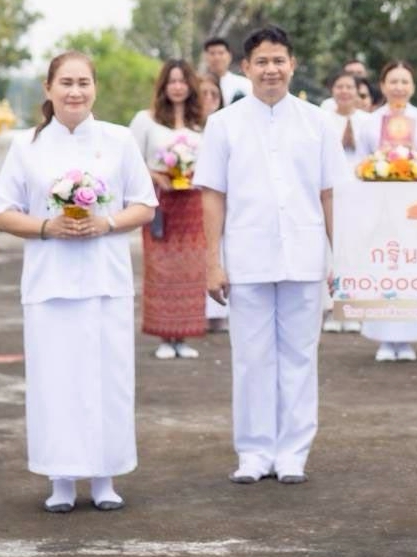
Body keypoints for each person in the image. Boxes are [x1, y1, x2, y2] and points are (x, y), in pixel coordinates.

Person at [0, 51, 158, 512]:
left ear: (95, 88)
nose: (75, 92)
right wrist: (48, 227)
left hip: (106, 279)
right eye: (65, 83)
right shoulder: (26, 146)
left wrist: (107, 222)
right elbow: (4, 213)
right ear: (48, 89)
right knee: (55, 382)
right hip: (50, 283)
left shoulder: (119, 140)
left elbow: (144, 205)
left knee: (109, 381)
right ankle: (60, 479)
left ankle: (105, 477)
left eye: (83, 82)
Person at [195, 25, 346, 484]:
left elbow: (330, 194)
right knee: (251, 357)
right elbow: (212, 195)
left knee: (300, 356)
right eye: (261, 61)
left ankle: (293, 452)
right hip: (247, 256)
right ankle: (254, 452)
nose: (271, 69)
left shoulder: (318, 123)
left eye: (279, 60)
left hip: (305, 254)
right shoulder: (224, 124)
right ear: (246, 67)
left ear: (292, 65)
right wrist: (212, 262)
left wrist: (341, 258)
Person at [354, 60, 417, 362]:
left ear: (412, 86)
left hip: (415, 206)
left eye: (404, 81)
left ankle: (408, 340)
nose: (399, 87)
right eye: (393, 81)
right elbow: (360, 162)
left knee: (412, 269)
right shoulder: (369, 121)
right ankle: (384, 339)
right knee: (383, 267)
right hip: (379, 206)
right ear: (382, 85)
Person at [129, 60, 209, 359]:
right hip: (160, 201)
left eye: (182, 81)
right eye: (172, 81)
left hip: (192, 202)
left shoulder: (202, 122)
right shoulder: (146, 120)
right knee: (161, 267)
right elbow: (130, 160)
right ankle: (164, 336)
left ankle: (184, 336)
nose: (177, 87)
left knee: (191, 268)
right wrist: (155, 175)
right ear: (163, 86)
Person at [320, 70, 371, 334]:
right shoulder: (322, 119)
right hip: (330, 193)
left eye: (349, 87)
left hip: (360, 193)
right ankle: (331, 308)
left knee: (355, 249)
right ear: (332, 90)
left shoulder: (368, 121)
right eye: (339, 86)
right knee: (331, 250)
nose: (344, 92)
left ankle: (352, 306)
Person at [196, 72, 229, 333]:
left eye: (214, 94)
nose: (208, 99)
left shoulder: (227, 125)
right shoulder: (189, 128)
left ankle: (219, 313)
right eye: (203, 94)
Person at [202, 37, 252, 106]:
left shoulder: (245, 84)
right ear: (205, 57)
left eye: (221, 53)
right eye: (212, 53)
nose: (217, 58)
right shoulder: (198, 85)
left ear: (229, 56)